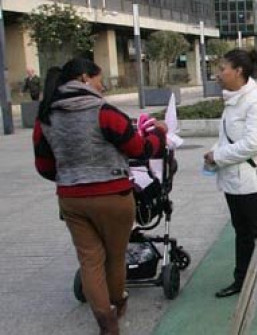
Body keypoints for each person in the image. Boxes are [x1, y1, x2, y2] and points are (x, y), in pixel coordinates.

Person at [32, 58, 168, 334]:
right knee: (115, 256)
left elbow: (44, 167)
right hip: (112, 196)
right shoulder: (104, 112)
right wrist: (160, 137)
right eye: (98, 79)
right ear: (84, 78)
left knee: (89, 259)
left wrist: (71, 178)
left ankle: (106, 322)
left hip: (71, 199)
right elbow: (139, 148)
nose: (102, 85)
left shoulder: (46, 116)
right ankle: (118, 302)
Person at [204, 49, 257, 305]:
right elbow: (228, 138)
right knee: (241, 231)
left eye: (222, 69)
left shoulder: (256, 103)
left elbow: (252, 143)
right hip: (233, 180)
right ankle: (242, 279)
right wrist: (214, 153)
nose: (218, 74)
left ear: (238, 71)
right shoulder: (233, 99)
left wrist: (218, 156)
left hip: (252, 181)